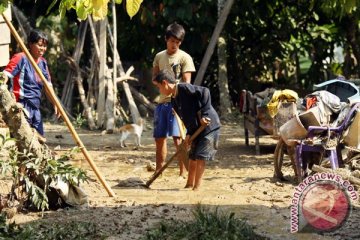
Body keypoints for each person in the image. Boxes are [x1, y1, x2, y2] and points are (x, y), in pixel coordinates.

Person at [153, 69, 220, 190]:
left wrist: (205, 115)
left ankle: (197, 188)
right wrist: (189, 133)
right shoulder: (174, 100)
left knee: (200, 157)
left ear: (165, 83)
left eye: (159, 87)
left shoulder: (184, 88)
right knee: (192, 157)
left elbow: (205, 91)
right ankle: (189, 185)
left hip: (209, 125)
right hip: (195, 129)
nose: (160, 91)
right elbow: (186, 118)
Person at [152, 22, 196, 176]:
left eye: (177, 42)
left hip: (178, 103)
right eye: (172, 41)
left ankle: (183, 172)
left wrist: (172, 87)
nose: (174, 45)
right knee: (159, 138)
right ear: (166, 40)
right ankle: (159, 170)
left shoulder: (185, 58)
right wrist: (161, 82)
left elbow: (187, 84)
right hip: (162, 103)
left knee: (179, 139)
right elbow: (154, 79)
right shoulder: (159, 56)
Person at [3, 29, 59, 143]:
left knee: (40, 141)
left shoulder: (43, 63)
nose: (42, 49)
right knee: (24, 140)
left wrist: (55, 103)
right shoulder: (20, 58)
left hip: (35, 107)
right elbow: (5, 75)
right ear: (30, 44)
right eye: (39, 45)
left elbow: (48, 86)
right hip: (21, 105)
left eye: (44, 46)